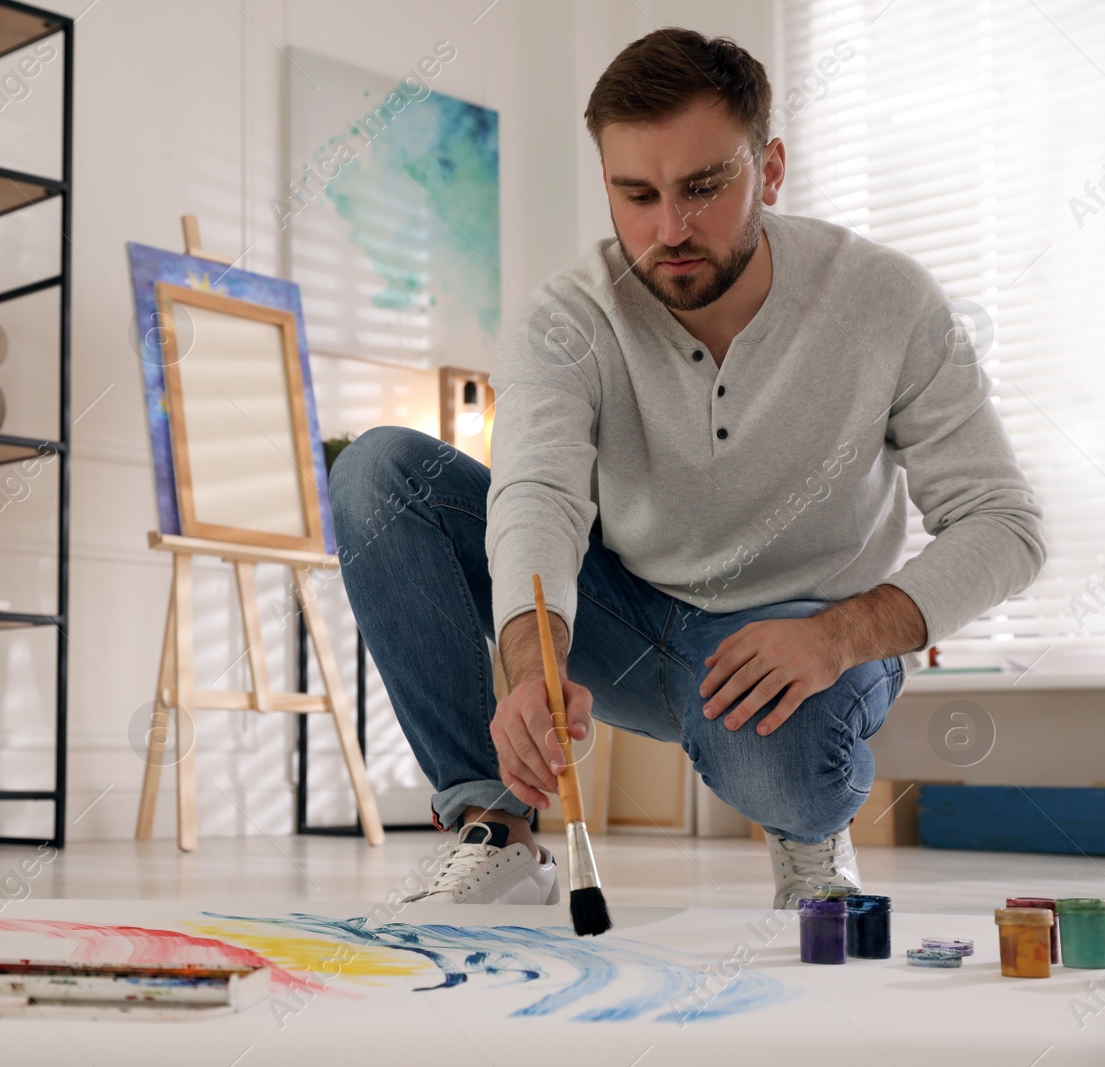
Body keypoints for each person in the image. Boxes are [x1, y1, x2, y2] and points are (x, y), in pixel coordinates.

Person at [327, 28, 1045, 909]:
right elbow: (537, 496)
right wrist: (529, 669)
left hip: (800, 643)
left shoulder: (887, 302)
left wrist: (835, 639)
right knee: (378, 471)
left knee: (793, 755)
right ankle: (495, 828)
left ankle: (811, 828)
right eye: (637, 194)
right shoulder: (567, 318)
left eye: (705, 187)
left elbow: (1005, 524)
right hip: (625, 619)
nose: (670, 229)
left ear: (770, 170)